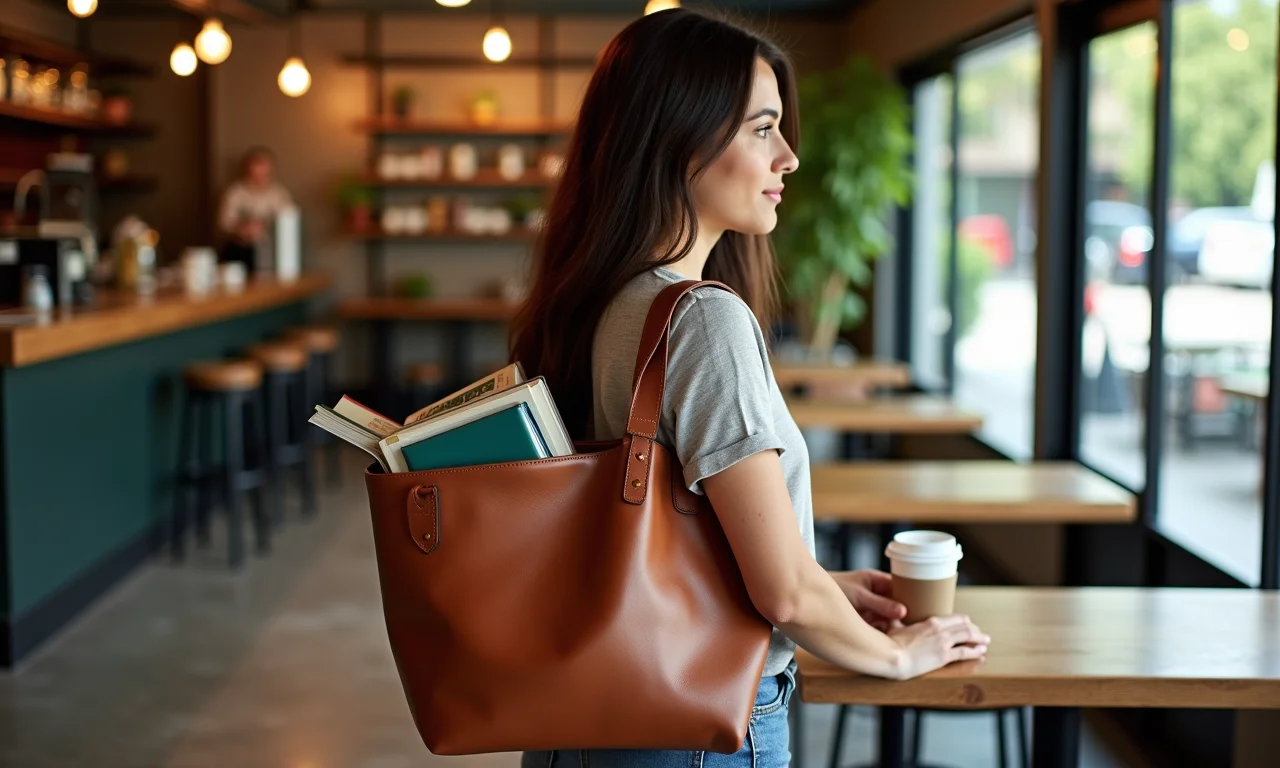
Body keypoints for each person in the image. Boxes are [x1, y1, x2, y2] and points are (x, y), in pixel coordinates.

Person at [510, 8, 990, 768]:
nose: (789, 157)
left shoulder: (598, 298)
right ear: (679, 138)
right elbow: (783, 595)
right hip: (701, 724)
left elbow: (657, 532)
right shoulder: (702, 318)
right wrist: (899, 654)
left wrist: (822, 583)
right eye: (763, 129)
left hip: (593, 714)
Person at [217, 146, 293, 273]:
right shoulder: (235, 193)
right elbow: (224, 222)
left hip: (270, 251)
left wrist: (265, 226)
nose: (260, 176)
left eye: (264, 173)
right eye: (256, 172)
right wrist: (241, 228)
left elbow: (289, 221)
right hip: (239, 251)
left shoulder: (279, 195)